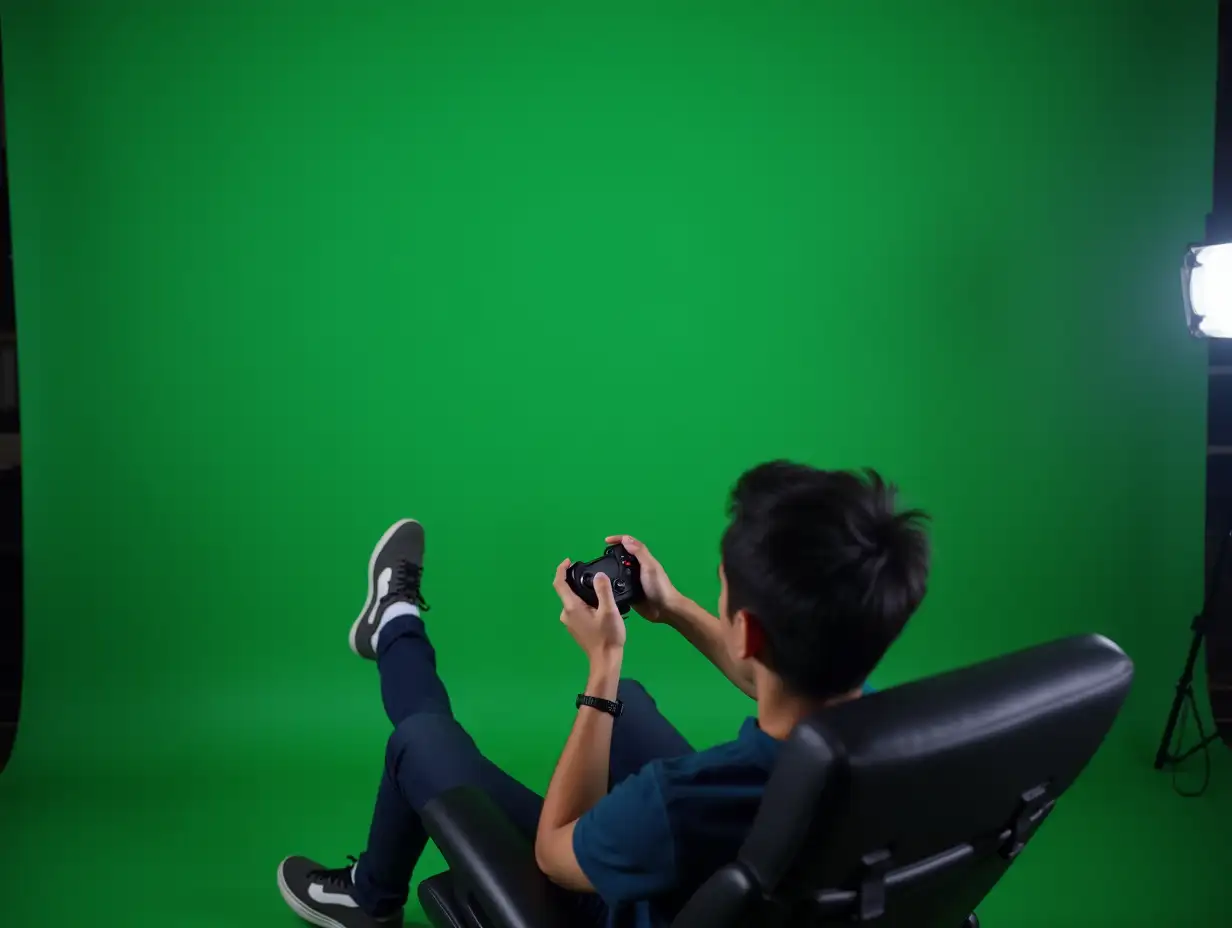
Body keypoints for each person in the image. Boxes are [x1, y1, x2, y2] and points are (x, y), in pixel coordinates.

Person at [276, 461, 931, 928]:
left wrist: (603, 666)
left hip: (617, 899)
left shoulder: (672, 804)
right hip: (744, 873)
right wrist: (672, 608)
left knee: (421, 740)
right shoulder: (885, 730)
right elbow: (775, 677)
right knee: (635, 711)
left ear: (750, 628)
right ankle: (392, 624)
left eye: (722, 586)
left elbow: (554, 853)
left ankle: (370, 891)